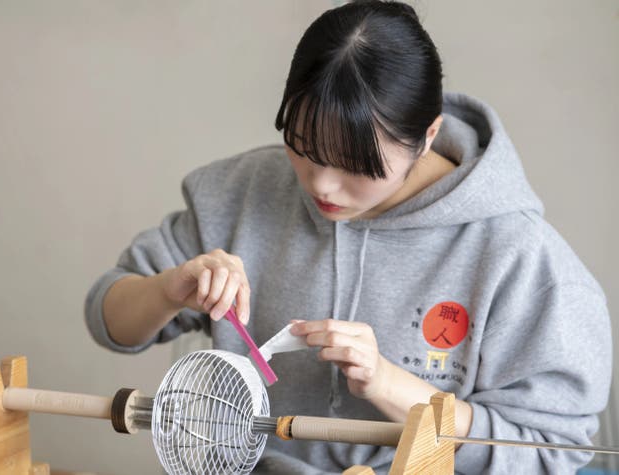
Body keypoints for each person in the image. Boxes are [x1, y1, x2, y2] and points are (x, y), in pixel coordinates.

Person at [85, 1, 612, 473]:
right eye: (303, 148)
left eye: (357, 166)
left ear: (427, 135)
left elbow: (549, 451)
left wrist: (386, 383)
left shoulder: (520, 258)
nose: (321, 185)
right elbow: (108, 320)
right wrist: (168, 289)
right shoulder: (240, 193)